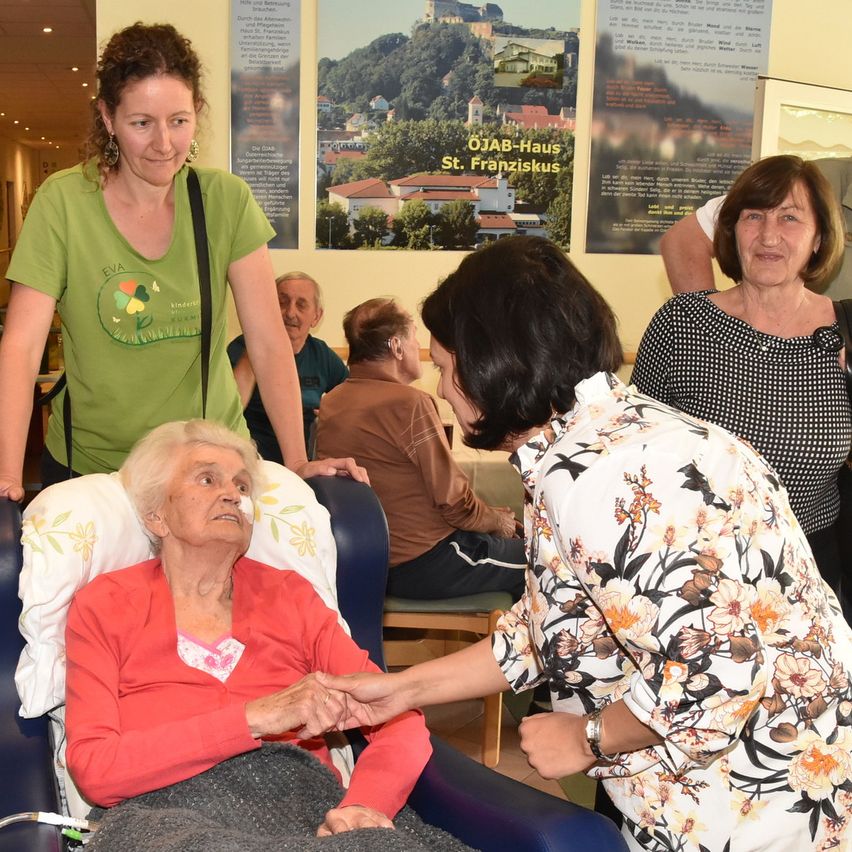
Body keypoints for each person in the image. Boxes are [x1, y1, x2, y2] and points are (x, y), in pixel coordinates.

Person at [318, 236, 852, 852]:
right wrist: (401, 690)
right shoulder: (598, 440)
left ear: (496, 361)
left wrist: (586, 737)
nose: (441, 387)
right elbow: (557, 625)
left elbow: (717, 678)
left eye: (446, 365)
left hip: (756, 798)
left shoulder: (605, 480)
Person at [0, 22, 361, 501]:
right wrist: (6, 474)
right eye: (141, 123)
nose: (164, 144)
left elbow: (269, 341)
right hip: (97, 470)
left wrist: (296, 460)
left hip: (209, 465)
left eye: (178, 120)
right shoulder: (62, 203)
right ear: (108, 117)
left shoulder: (225, 201)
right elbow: (22, 348)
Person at [63, 419, 430, 836]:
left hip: (303, 808)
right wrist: (253, 719)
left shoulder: (290, 595)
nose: (231, 496)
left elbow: (400, 717)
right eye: (207, 479)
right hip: (162, 814)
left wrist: (363, 806)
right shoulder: (105, 604)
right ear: (157, 517)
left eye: (241, 487)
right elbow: (95, 767)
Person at [633, 155, 851, 619]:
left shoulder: (846, 332)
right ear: (731, 231)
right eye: (754, 216)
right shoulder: (681, 323)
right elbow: (632, 454)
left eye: (790, 218)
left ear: (819, 239)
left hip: (807, 577)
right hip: (689, 574)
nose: (769, 235)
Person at [315, 298, 525, 600]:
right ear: (397, 347)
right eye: (415, 338)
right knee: (545, 561)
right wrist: (498, 522)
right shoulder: (409, 403)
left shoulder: (332, 401)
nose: (419, 349)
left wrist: (490, 516)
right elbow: (454, 503)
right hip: (425, 561)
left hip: (362, 563)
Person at [660, 157, 852, 299]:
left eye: (790, 217)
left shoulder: (836, 321)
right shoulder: (819, 179)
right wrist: (706, 327)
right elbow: (685, 240)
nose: (769, 238)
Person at [228, 271, 348, 460]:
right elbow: (228, 411)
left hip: (305, 459)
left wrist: (333, 411)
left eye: (301, 305)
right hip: (253, 458)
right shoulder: (242, 348)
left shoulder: (322, 354)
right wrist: (255, 352)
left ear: (316, 317)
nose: (290, 313)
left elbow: (350, 396)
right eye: (282, 303)